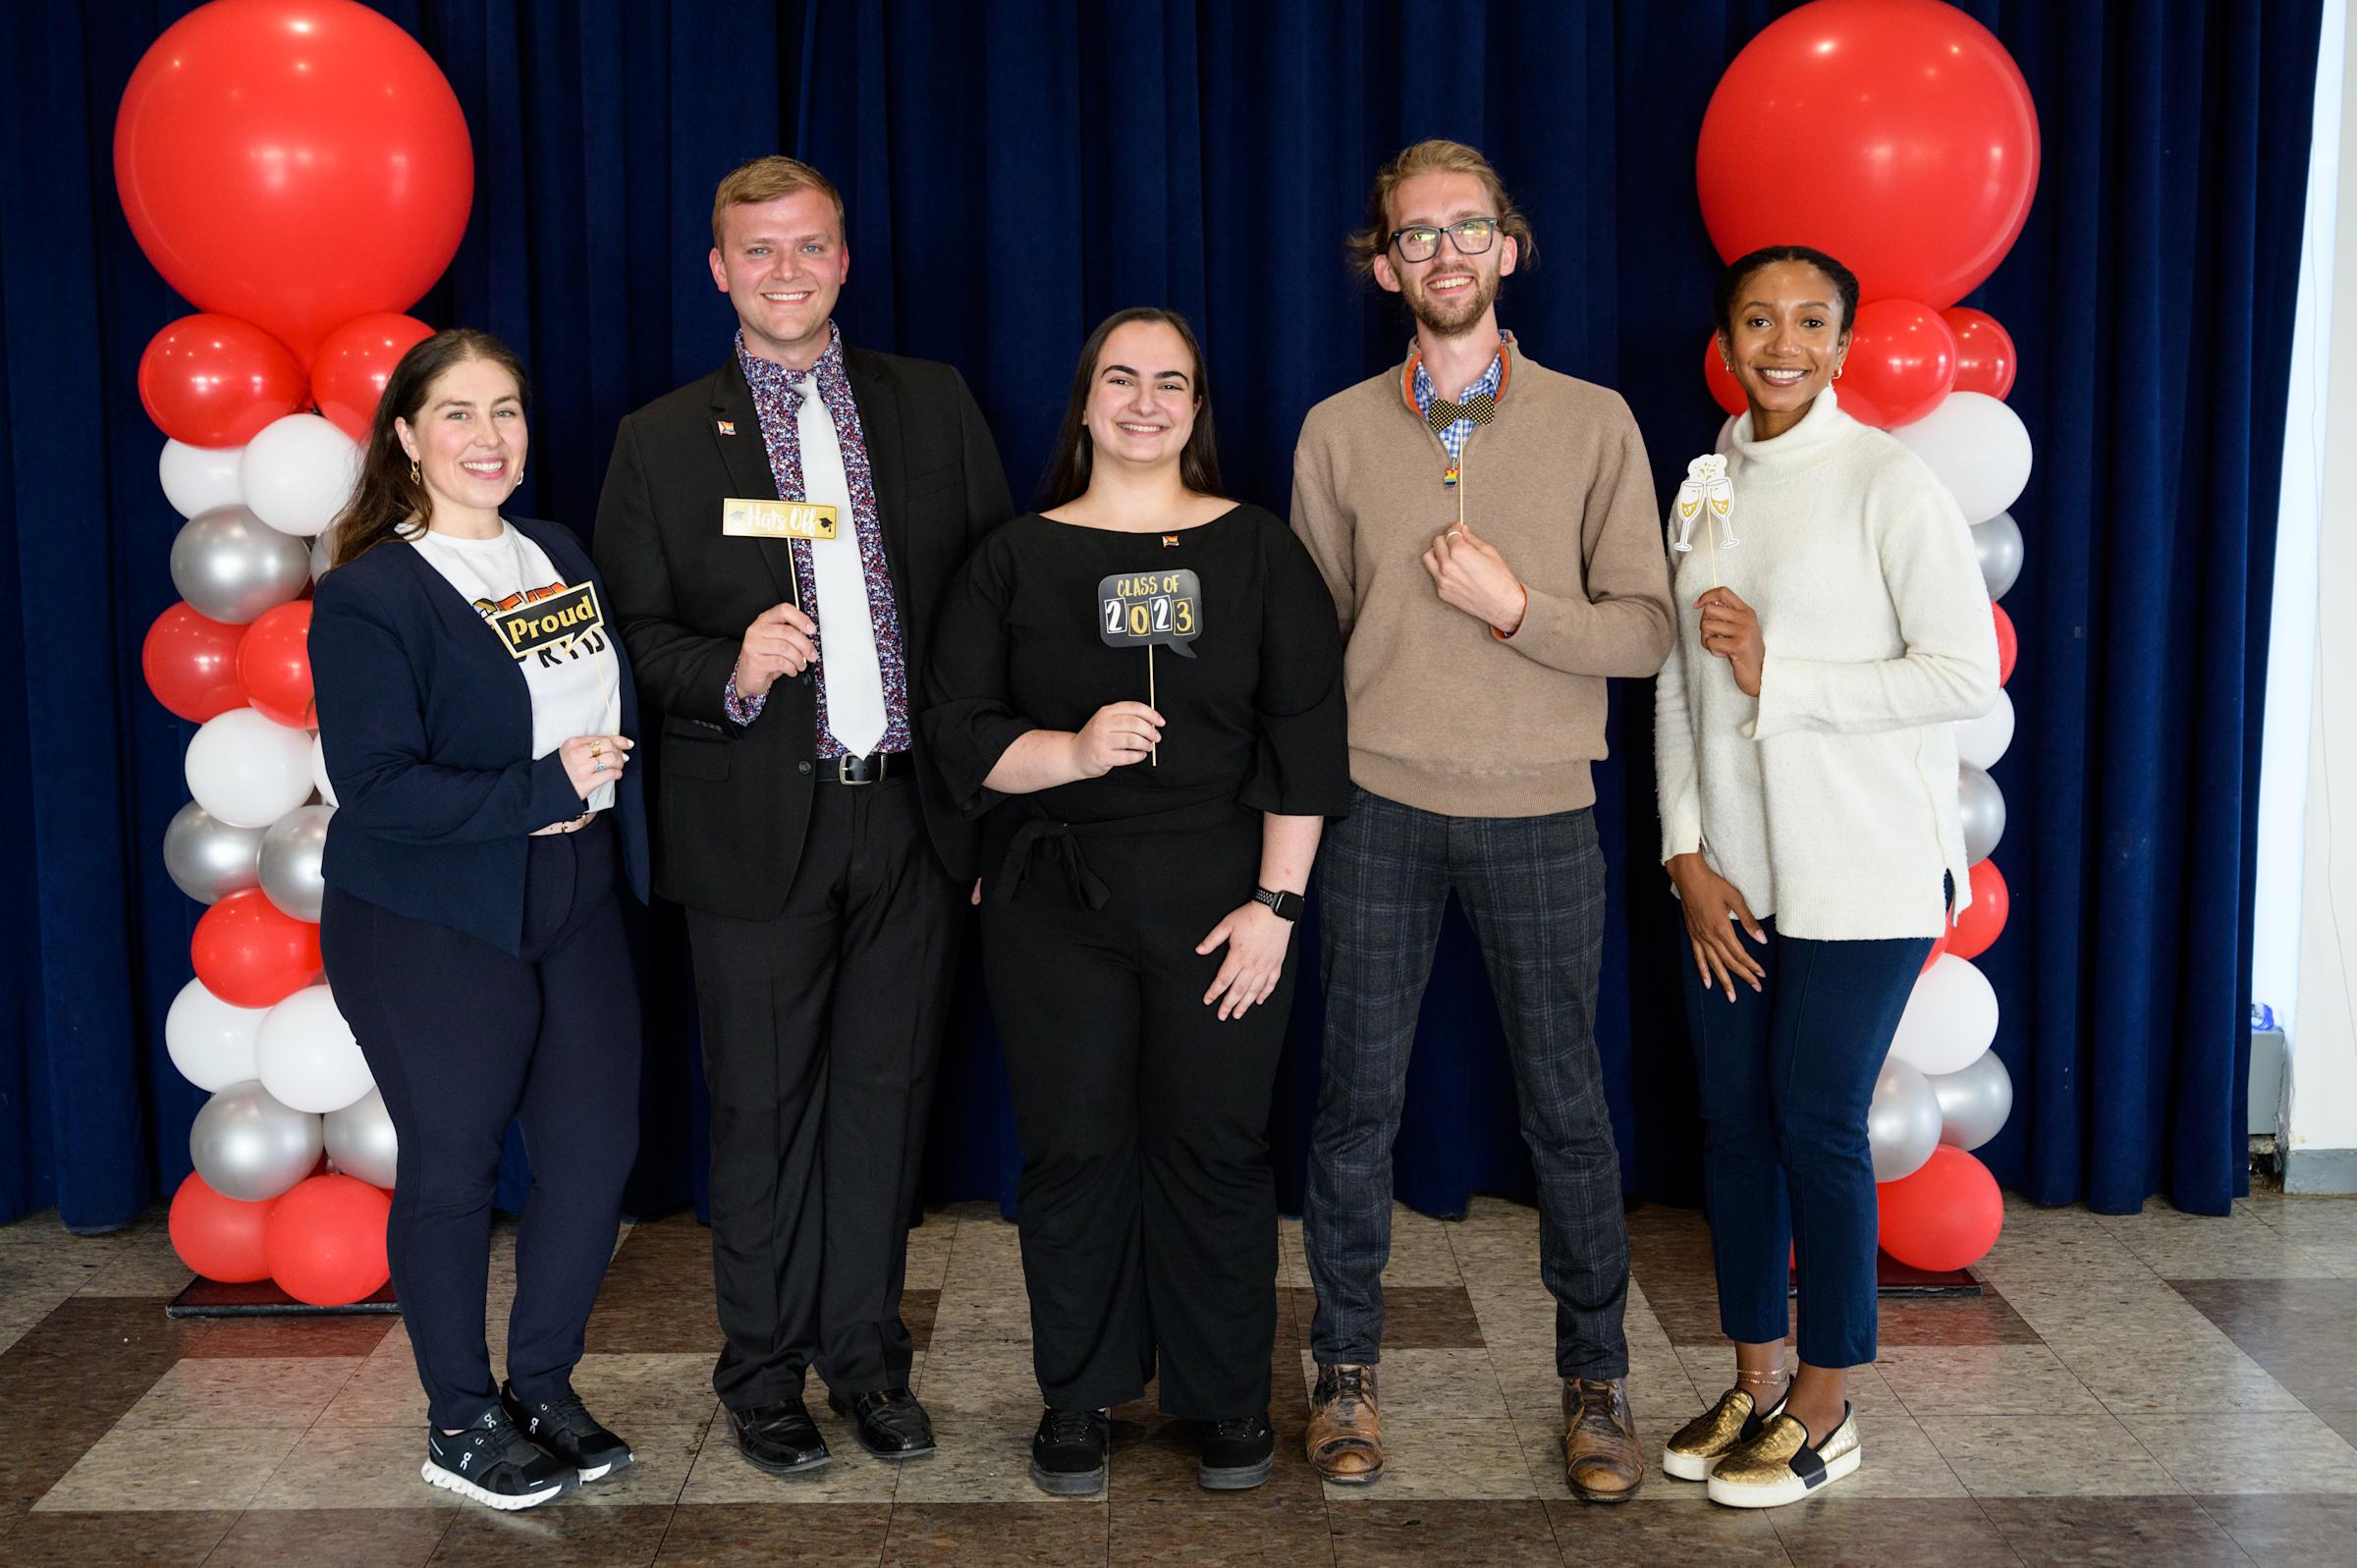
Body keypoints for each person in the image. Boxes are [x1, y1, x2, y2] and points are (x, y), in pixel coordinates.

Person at [593, 155, 1012, 1475]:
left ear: (843, 259)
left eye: (807, 248)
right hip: (754, 826)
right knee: (764, 1112)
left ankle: (867, 1363)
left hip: (908, 818)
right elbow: (629, 634)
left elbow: (998, 606)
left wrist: (994, 811)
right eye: (757, 252)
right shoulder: (661, 438)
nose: (785, 272)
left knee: (883, 1104)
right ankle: (763, 1375)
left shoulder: (933, 405)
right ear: (719, 269)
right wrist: (728, 666)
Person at [1289, 139, 1674, 1500]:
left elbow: (1645, 634)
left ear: (1510, 247)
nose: (1443, 254)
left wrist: (1520, 612)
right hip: (1379, 812)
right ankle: (1343, 1367)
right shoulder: (1336, 432)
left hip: (1541, 820)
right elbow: (1307, 651)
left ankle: (1598, 1380)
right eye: (1414, 236)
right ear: (1383, 265)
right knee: (1353, 1110)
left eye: (1467, 229)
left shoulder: (1595, 421)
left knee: (1568, 1111)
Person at [923, 308, 1348, 1497]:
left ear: (1198, 409)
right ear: (1087, 401)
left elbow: (1306, 740)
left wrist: (1277, 904)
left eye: (1172, 382)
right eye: (1122, 379)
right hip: (1052, 902)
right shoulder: (1013, 556)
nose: (1146, 401)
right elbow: (956, 737)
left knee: (1214, 1144)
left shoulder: (1258, 550)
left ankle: (1224, 1398)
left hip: (1225, 902)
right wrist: (1070, 747)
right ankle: (1081, 1392)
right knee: (1073, 1147)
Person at [1655, 244, 1999, 1507]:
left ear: (1845, 345)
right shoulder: (1704, 481)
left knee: (1814, 1125)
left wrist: (1780, 677)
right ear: (1728, 338)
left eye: (1810, 320)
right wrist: (1683, 851)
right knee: (1733, 1130)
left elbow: (1966, 678)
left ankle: (1827, 1401)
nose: (1782, 340)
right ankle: (1755, 1377)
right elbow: (1672, 688)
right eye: (1758, 318)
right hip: (1735, 880)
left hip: (1865, 876)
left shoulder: (1888, 482)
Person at [311, 328, 650, 1511]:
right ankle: (459, 1419)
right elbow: (378, 786)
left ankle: (541, 1388)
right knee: (454, 1170)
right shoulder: (368, 593)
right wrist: (544, 788)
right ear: (405, 436)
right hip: (427, 916)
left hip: (576, 895)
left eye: (504, 410)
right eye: (457, 413)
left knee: (595, 1154)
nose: (488, 437)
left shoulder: (553, 550)